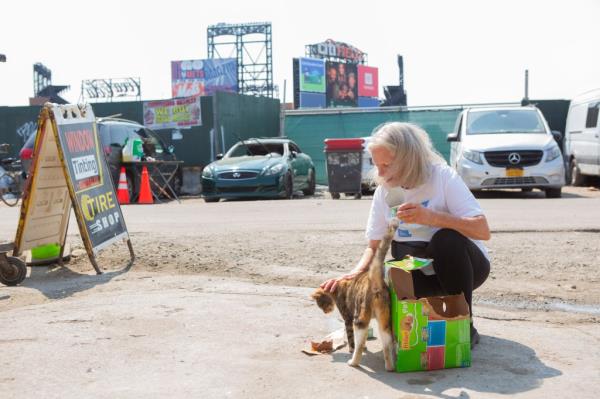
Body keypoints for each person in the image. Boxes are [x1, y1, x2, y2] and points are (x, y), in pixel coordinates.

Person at [321, 122, 491, 347]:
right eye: (376, 165)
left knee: (446, 240)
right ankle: (423, 320)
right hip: (417, 273)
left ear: (408, 160)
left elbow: (482, 230)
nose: (380, 174)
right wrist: (351, 276)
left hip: (464, 270)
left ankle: (463, 325)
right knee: (385, 274)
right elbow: (374, 247)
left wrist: (432, 218)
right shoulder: (384, 192)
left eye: (387, 165)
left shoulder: (442, 177)